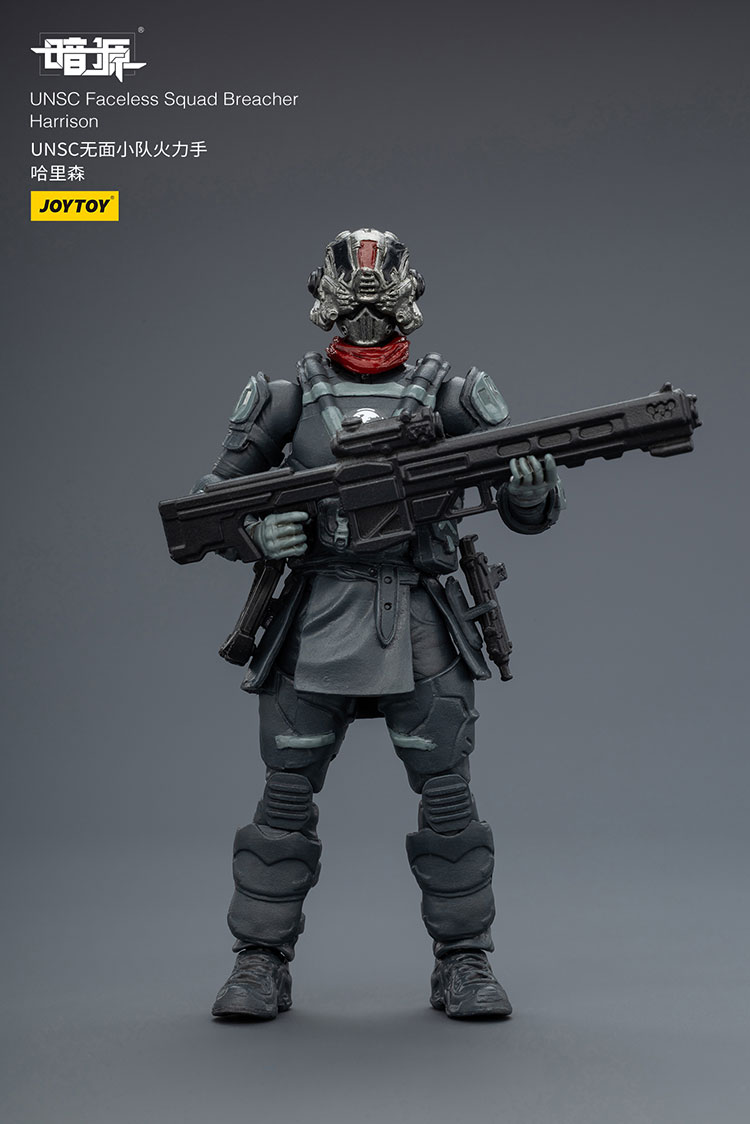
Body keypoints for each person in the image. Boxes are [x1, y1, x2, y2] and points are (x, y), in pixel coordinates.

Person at [193, 228, 565, 1019]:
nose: (366, 324)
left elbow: (523, 501)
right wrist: (260, 532)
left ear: (406, 304)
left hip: (419, 611)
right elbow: (208, 506)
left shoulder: (452, 398)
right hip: (317, 611)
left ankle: (464, 959)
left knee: (448, 794)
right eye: (353, 309)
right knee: (285, 794)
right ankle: (259, 959)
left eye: (381, 309)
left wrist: (530, 489)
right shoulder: (286, 401)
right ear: (327, 305)